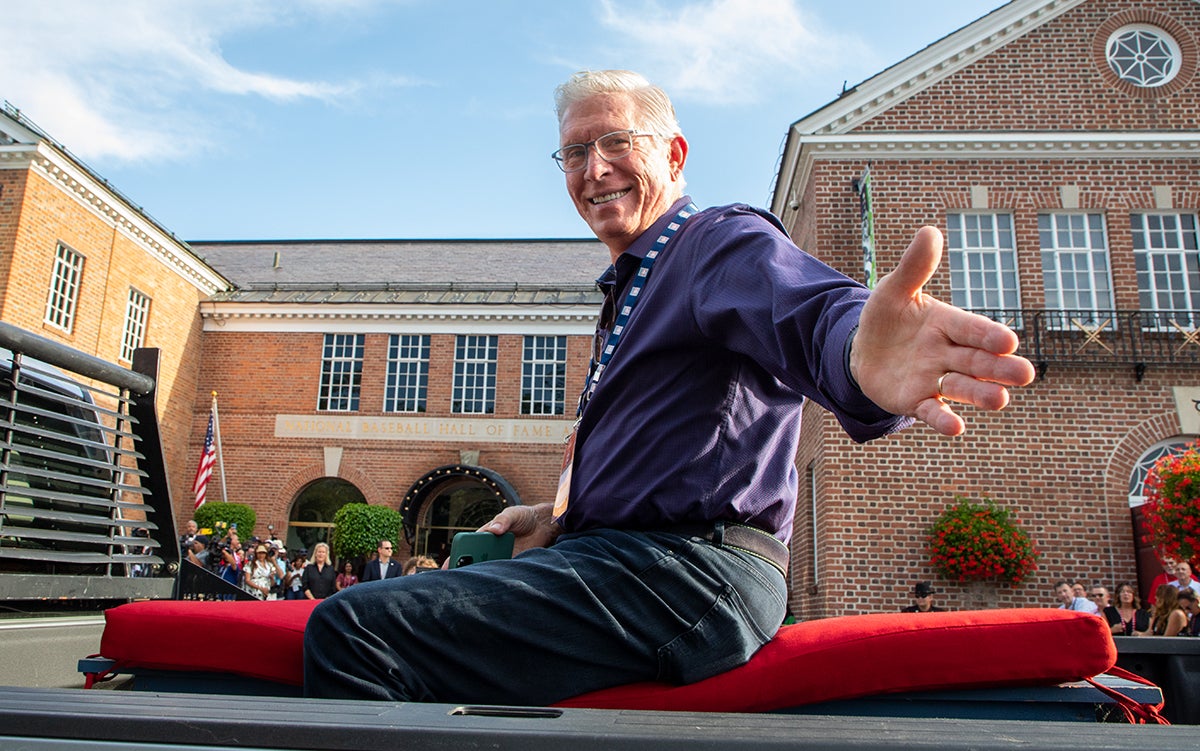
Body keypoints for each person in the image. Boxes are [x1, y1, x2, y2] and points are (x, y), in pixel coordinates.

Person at [303, 69, 1035, 705]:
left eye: (616, 143)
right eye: (575, 152)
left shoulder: (716, 242)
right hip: (633, 562)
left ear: (674, 153)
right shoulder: (629, 288)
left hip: (691, 574)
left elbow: (806, 307)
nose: (595, 169)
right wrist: (555, 515)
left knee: (356, 627)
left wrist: (855, 354)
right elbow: (658, 456)